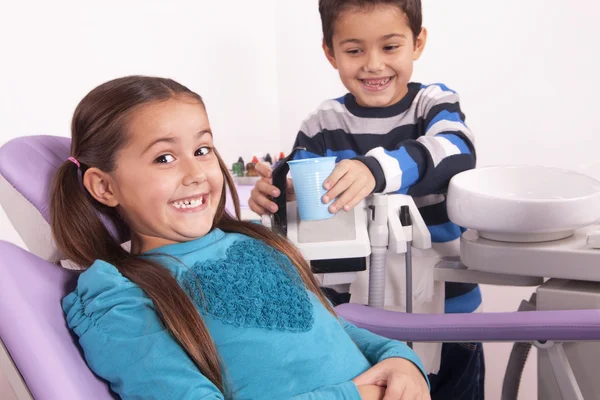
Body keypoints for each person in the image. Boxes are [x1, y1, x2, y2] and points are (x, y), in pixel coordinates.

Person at [50, 75, 430, 399]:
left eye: (202, 150)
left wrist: (397, 358)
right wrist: (354, 395)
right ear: (103, 187)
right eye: (164, 158)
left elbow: (331, 327)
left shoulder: (251, 241)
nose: (196, 172)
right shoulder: (120, 295)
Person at [248, 1, 484, 398]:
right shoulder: (323, 125)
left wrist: (374, 171)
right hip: (356, 323)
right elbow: (296, 180)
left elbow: (455, 148)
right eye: (355, 50)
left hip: (446, 315)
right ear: (330, 52)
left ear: (417, 42)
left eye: (390, 47)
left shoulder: (433, 105)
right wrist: (278, 192)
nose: (373, 65)